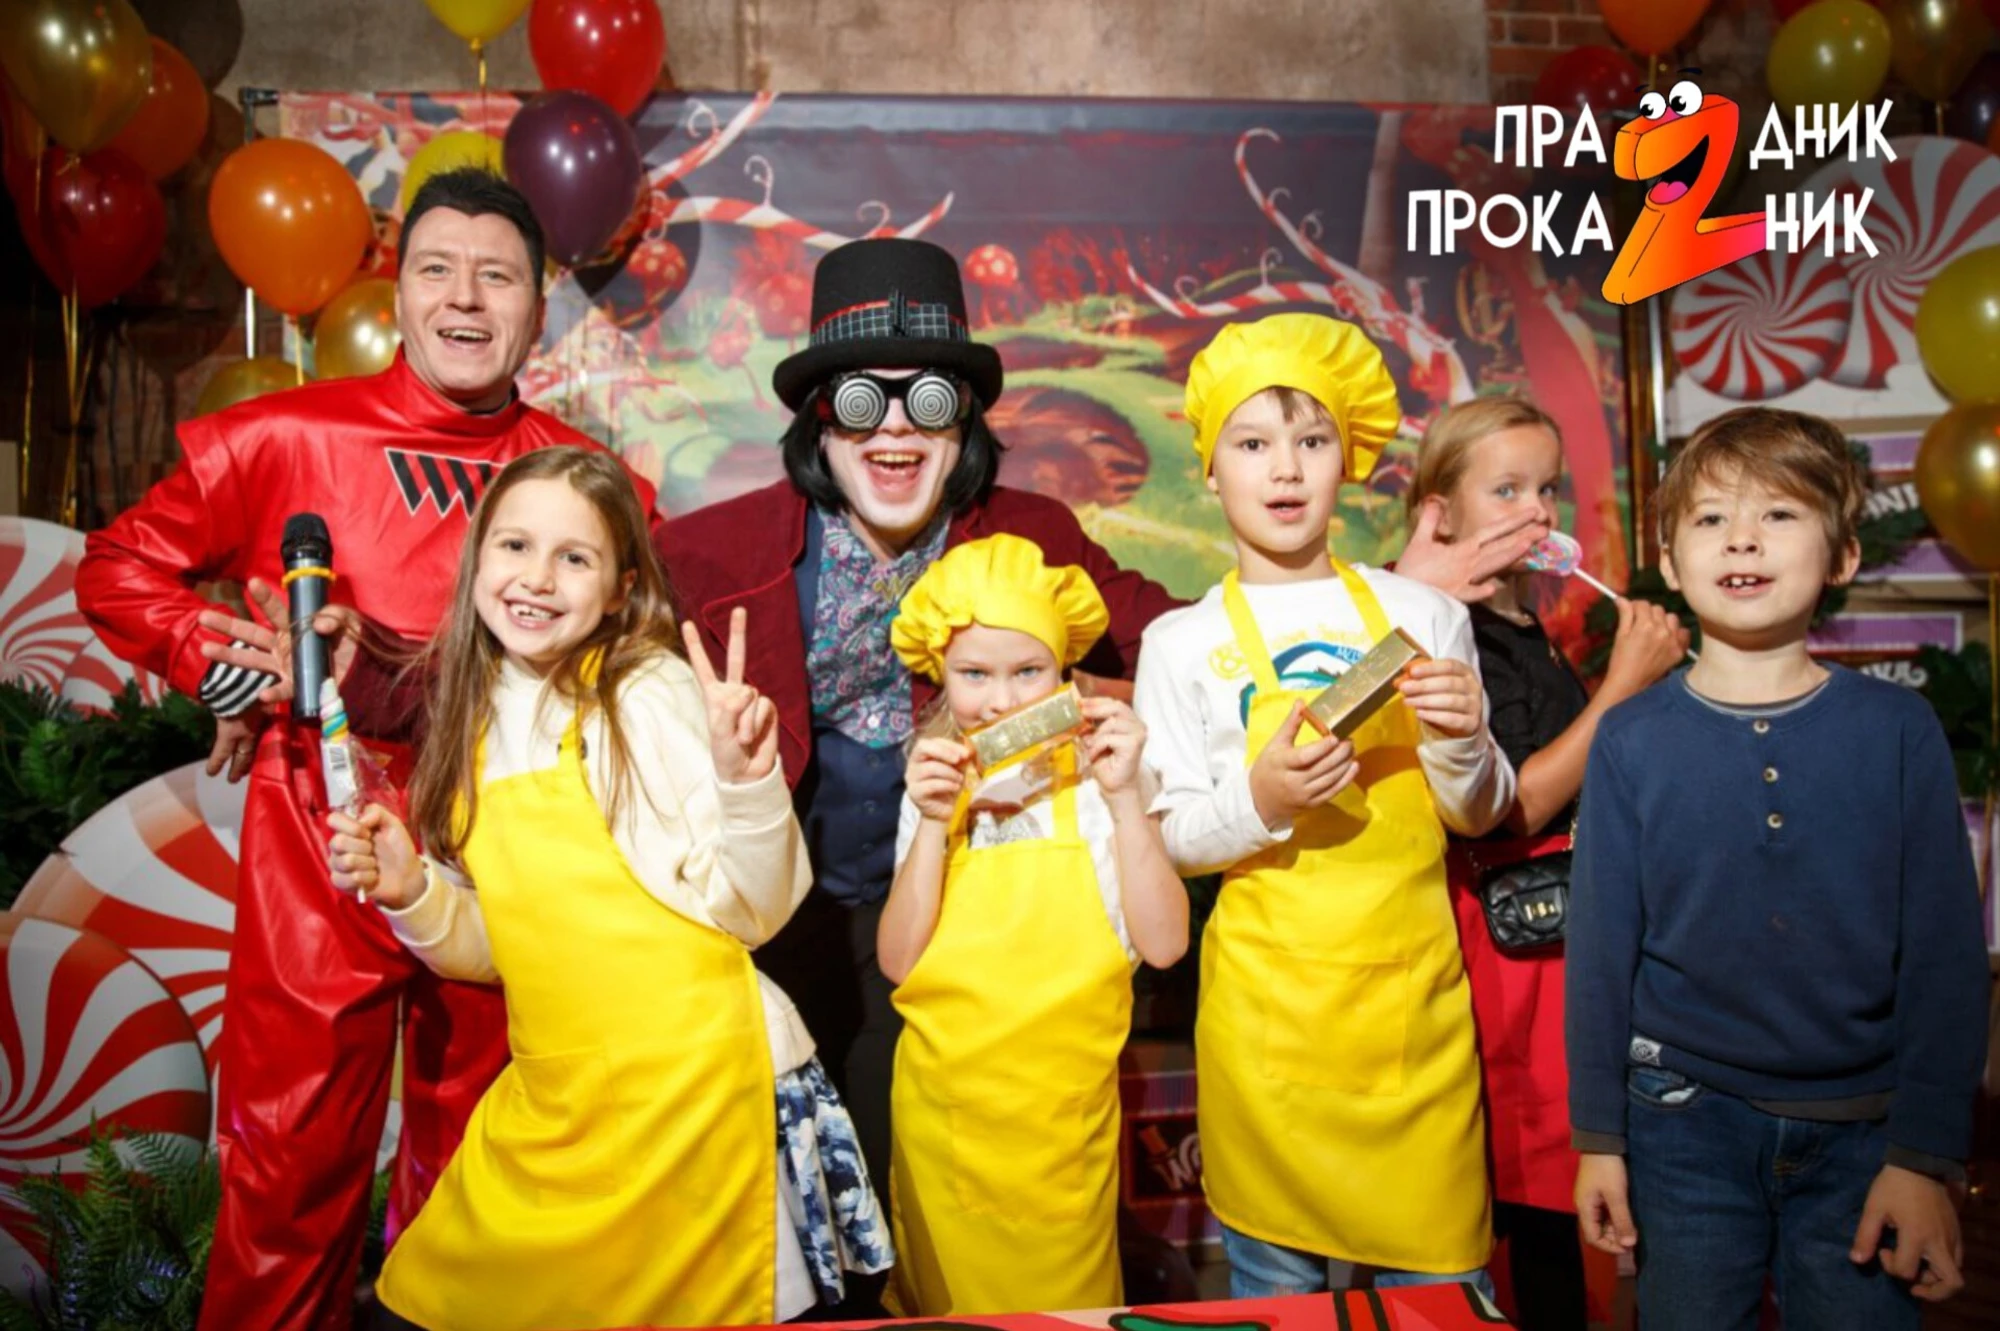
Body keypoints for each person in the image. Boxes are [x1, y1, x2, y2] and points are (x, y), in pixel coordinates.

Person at [73, 168, 635, 1330]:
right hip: (319, 838)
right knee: (288, 1164)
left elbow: (634, 645)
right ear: (400, 291)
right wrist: (225, 660)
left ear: (538, 306)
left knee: (485, 1166)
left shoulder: (580, 478)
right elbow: (119, 567)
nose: (465, 298)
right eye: (438, 270)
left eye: (497, 276)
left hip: (507, 844)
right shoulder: (284, 435)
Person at [659, 238, 1181, 1302]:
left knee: (922, 1210)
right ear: (819, 421)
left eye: (927, 400)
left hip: (951, 929)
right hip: (775, 926)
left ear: (964, 424)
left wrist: (1083, 697)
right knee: (784, 1224)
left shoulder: (1033, 536)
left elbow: (1181, 643)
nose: (894, 429)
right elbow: (552, 638)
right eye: (862, 401)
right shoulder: (708, 550)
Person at [326, 447, 889, 1330]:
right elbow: (500, 947)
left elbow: (754, 910)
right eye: (515, 545)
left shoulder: (643, 695)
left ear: (623, 588)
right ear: (478, 558)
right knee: (429, 1300)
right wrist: (415, 894)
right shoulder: (473, 714)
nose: (536, 578)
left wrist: (747, 782)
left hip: (700, 1099)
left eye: (574, 557)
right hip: (561, 1104)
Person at [1568, 406, 1990, 1330]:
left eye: (1780, 513)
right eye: (1712, 517)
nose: (1743, 537)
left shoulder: (1898, 730)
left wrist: (1924, 1156)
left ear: (1842, 555)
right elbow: (1599, 951)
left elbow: (1945, 955)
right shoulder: (1630, 740)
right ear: (1670, 560)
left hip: (1865, 1132)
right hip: (1680, 1120)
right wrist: (1599, 1138)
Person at [1134, 312, 1514, 1300]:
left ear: (1349, 459)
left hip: (1413, 1027)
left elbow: (1478, 814)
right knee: (1278, 1299)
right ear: (1208, 468)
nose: (1285, 468)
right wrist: (1259, 799)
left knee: (1442, 1297)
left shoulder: (1424, 614)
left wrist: (1463, 737)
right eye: (1252, 443)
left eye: (1311, 440)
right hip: (1269, 1034)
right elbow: (1172, 838)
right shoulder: (1178, 643)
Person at [1398, 396, 1686, 1330]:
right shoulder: (1455, 629)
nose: (1537, 511)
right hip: (1506, 946)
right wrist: (1623, 687)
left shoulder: (1516, 616)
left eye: (1547, 488)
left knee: (1558, 1182)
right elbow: (1513, 805)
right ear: (1439, 512)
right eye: (1507, 489)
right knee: (1529, 1177)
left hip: (1553, 937)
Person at [876, 534, 1189, 1315]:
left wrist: (1125, 797)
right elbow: (898, 960)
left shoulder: (1104, 780)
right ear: (939, 673)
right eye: (974, 674)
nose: (1002, 701)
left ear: (1064, 672)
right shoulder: (933, 782)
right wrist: (931, 822)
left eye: (1028, 671)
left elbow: (1165, 944)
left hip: (1062, 1123)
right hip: (945, 1111)